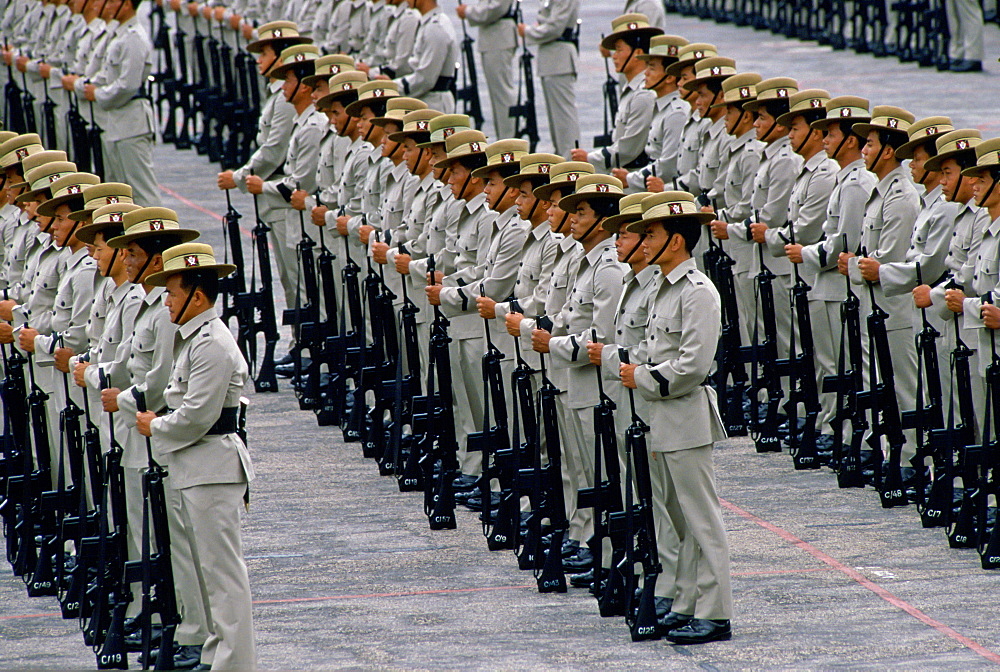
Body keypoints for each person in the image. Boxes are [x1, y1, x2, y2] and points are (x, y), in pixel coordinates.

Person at [620, 190, 732, 644]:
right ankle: (686, 602)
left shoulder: (698, 292)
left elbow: (692, 366)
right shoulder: (663, 287)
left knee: (702, 520)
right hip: (660, 417)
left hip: (684, 416)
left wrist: (641, 376)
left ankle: (716, 611)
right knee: (679, 522)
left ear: (679, 241)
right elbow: (650, 347)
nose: (643, 242)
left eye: (652, 234)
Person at [137, 241, 256, 670]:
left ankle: (235, 664)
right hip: (198, 467)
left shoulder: (210, 343)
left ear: (197, 297)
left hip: (212, 467)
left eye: (171, 294)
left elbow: (196, 417)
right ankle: (215, 656)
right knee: (209, 577)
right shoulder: (195, 339)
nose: (166, 303)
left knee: (224, 579)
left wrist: (156, 427)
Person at [63, 0, 162, 207]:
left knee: (142, 192)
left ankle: (158, 237)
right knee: (119, 190)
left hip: (132, 123)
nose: (106, 6)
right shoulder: (120, 36)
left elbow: (127, 85)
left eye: (113, 2)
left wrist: (97, 94)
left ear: (126, 5)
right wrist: (86, 86)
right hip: (115, 122)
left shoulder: (134, 38)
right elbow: (107, 76)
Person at [571, 14, 659, 172]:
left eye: (619, 50)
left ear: (638, 53)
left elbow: (629, 148)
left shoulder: (644, 94)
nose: (614, 56)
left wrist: (589, 158)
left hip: (633, 177)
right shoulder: (633, 88)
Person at [518, 0, 580, 157]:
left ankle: (571, 160)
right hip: (551, 59)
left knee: (563, 117)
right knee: (556, 121)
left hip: (559, 58)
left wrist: (529, 31)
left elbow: (555, 27)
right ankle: (562, 157)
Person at [456, 0, 518, 138]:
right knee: (498, 97)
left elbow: (497, 7)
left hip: (499, 38)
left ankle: (508, 142)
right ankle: (503, 139)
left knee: (503, 96)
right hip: (493, 39)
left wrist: (468, 11)